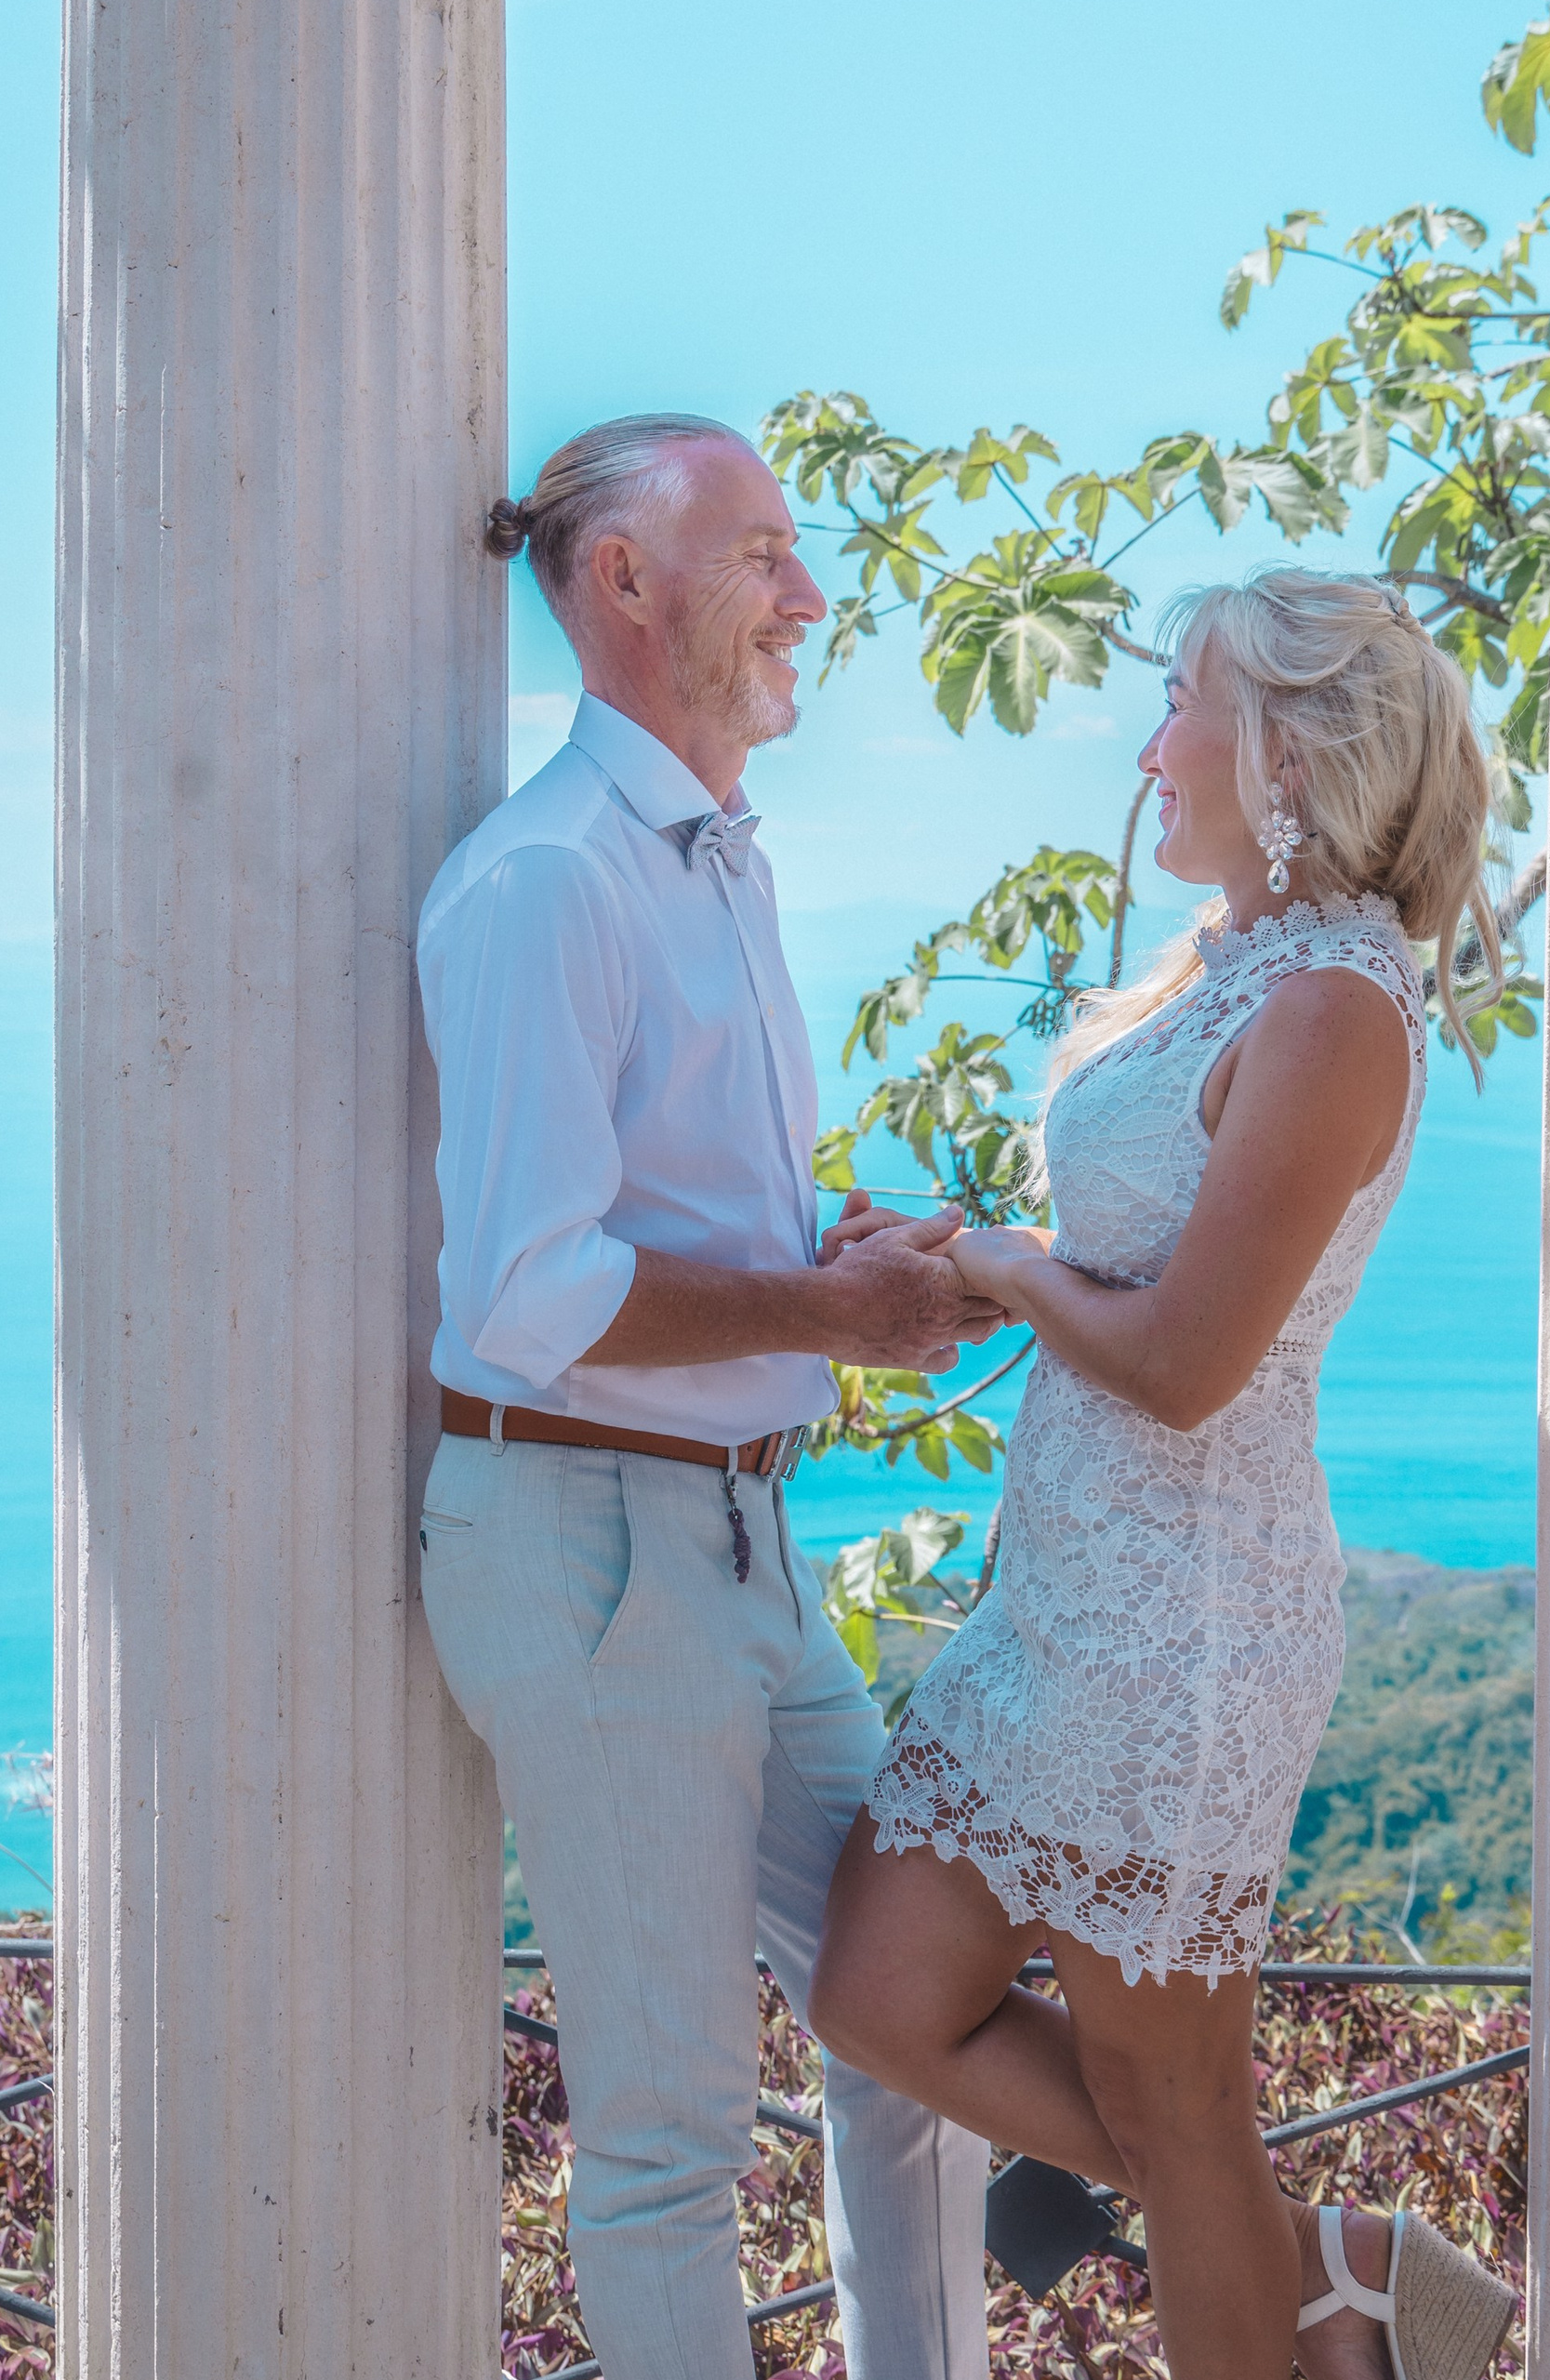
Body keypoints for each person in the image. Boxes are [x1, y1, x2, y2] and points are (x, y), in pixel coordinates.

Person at [807, 569, 1522, 2380]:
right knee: (882, 1991)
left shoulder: (1342, 1007)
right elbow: (1133, 1259)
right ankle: (1341, 2266)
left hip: (1186, 1618)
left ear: (1287, 746)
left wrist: (997, 1264)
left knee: (1171, 2095)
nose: (1147, 745)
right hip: (1064, 1587)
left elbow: (1192, 1363)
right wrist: (987, 1256)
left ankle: (1316, 2296)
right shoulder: (1220, 968)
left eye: (1179, 701)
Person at [413, 413, 999, 2380]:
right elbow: (530, 1288)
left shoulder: (709, 865)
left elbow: (676, 1214)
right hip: (589, 1545)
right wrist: (837, 1312)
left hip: (734, 1539)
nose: (808, 596)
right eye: (762, 552)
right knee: (666, 2139)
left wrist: (829, 1251)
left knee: (913, 2023)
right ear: (624, 583)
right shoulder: (548, 880)